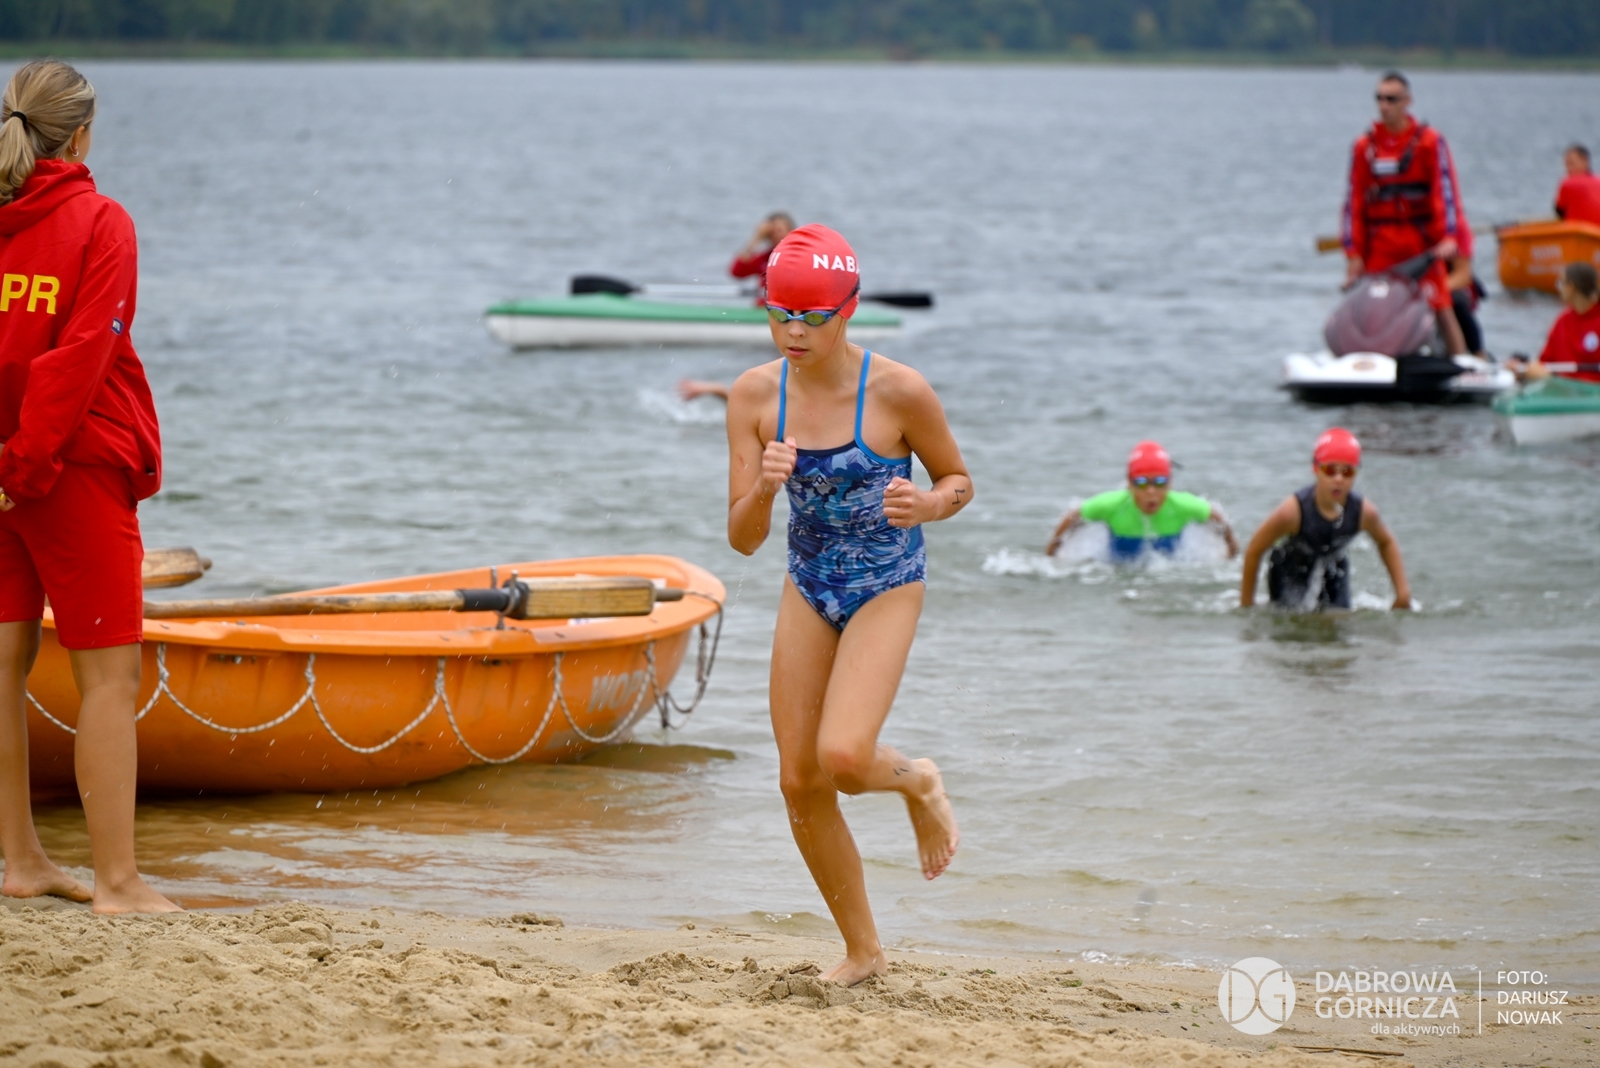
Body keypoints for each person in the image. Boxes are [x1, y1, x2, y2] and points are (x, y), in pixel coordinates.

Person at [724, 223, 968, 986]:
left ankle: (919, 781)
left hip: (887, 583)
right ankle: (864, 952)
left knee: (844, 759)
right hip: (808, 582)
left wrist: (928, 505)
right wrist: (765, 489)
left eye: (813, 317)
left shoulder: (898, 391)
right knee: (799, 781)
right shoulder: (754, 395)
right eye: (780, 315)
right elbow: (741, 540)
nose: (794, 332)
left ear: (849, 309)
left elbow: (959, 481)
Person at [0, 61, 179, 913]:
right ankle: (118, 882)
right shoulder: (102, 222)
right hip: (65, 468)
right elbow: (78, 360)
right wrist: (25, 467)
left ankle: (22, 862)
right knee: (109, 679)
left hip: (5, 470)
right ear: (80, 136)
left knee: (4, 666)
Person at [1341, 71, 1469, 356]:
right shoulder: (1365, 147)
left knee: (1441, 307)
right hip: (1381, 245)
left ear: (1407, 101)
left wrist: (1449, 236)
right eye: (1379, 99)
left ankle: (1461, 362)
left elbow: (1446, 193)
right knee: (1372, 309)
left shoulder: (1429, 142)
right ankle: (1366, 362)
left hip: (1421, 245)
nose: (1384, 106)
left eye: (1391, 99)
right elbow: (1353, 204)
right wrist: (1353, 253)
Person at [1239, 429, 1412, 613]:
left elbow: (1386, 542)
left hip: (1333, 566)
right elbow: (1254, 550)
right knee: (1292, 622)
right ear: (1315, 469)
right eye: (1330, 470)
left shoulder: (1364, 512)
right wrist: (1246, 605)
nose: (1338, 479)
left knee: (1339, 619)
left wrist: (1403, 594)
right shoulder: (1292, 512)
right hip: (1290, 570)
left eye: (1347, 472)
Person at [1045, 440, 1237, 561]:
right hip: (1118, 569)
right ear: (1129, 483)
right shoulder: (1112, 505)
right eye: (1142, 483)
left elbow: (1216, 519)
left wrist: (1231, 552)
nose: (1151, 492)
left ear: (1170, 483)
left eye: (1160, 482)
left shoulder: (1182, 505)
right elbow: (1075, 516)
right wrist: (1052, 553)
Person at [1510, 262, 1600, 385]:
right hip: (1562, 388)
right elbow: (1545, 362)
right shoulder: (1563, 320)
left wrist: (1553, 378)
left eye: (1561, 283)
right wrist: (1522, 369)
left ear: (1571, 287)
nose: (1559, 288)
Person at [728, 211, 795, 302]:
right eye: (771, 232)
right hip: (763, 307)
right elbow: (737, 271)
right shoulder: (765, 258)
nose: (775, 235)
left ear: (791, 231)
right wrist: (757, 239)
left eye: (779, 231)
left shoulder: (799, 257)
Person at [1553, 144, 1600, 227]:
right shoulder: (1598, 180)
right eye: (1566, 164)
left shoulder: (1567, 183)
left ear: (1585, 161)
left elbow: (1559, 211)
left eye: (1571, 163)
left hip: (1578, 232)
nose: (1568, 168)